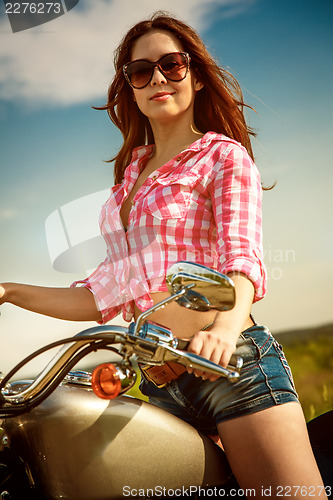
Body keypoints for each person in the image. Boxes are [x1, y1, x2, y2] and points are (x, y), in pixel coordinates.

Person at [0, 12, 327, 498]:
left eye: (171, 65)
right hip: (155, 384)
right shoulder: (127, 183)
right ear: (129, 88)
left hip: (227, 366)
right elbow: (100, 296)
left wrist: (224, 328)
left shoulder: (222, 156)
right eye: (140, 71)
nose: (156, 78)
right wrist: (7, 291)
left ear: (193, 74)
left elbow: (242, 260)